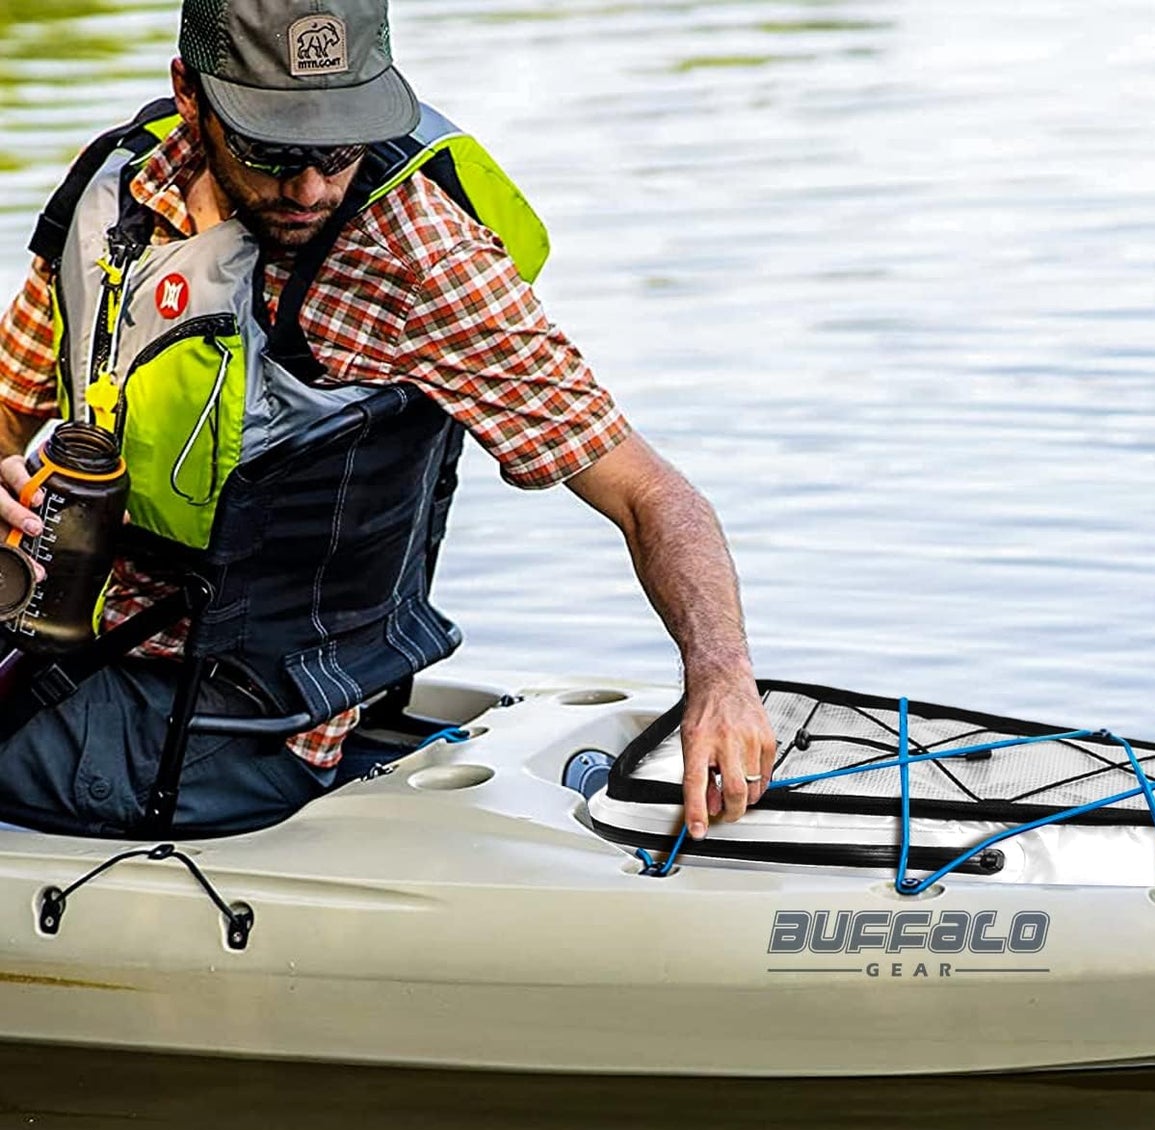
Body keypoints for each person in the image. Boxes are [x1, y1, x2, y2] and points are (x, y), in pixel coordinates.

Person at [0, 0, 773, 839]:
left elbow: (649, 494)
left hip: (227, 732)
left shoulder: (422, 263)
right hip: (80, 647)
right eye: (274, 149)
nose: (311, 189)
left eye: (339, 147)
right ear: (191, 94)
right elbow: (8, 409)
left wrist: (723, 677)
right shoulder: (119, 194)